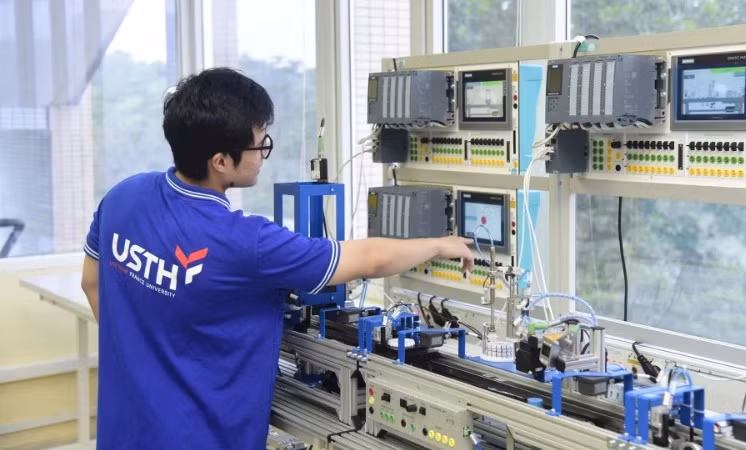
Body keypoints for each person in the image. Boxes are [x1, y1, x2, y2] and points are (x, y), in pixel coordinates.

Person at [80, 67, 473, 450]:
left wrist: (144, 355)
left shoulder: (123, 196)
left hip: (124, 429)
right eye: (259, 144)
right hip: (204, 435)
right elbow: (366, 259)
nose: (264, 152)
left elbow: (92, 283)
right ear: (220, 160)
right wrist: (438, 245)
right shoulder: (245, 242)